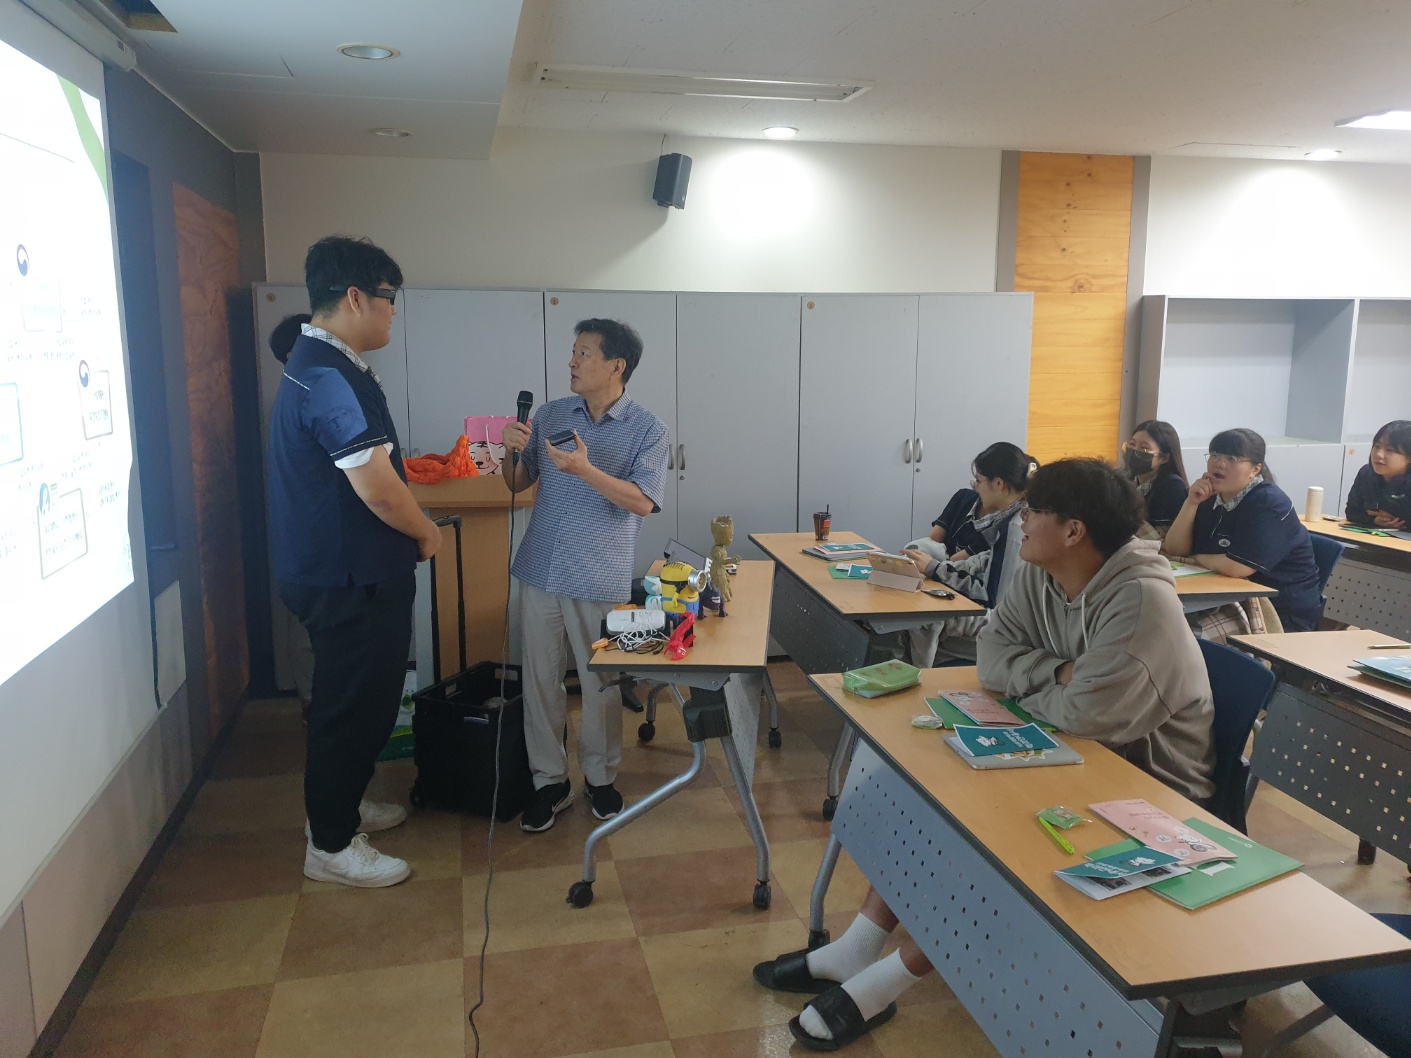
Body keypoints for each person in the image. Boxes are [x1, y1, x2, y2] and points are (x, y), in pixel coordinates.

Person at [754, 458, 1214, 1052]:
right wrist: (1060, 672)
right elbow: (992, 662)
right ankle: (858, 947)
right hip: (1070, 751)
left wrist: (1039, 687)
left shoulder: (1142, 599)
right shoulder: (1043, 570)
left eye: (1034, 511)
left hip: (1145, 789)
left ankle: (884, 984)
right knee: (932, 798)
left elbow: (1085, 716)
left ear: (1073, 531)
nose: (1020, 521)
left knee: (984, 842)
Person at [267, 236, 441, 888]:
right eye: (390, 299)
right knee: (353, 708)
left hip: (344, 570)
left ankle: (339, 805)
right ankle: (331, 844)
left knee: (359, 702)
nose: (394, 312)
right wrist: (425, 532)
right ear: (355, 297)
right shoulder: (326, 376)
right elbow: (375, 486)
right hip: (348, 578)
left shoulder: (321, 363)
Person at [502, 319, 670, 832]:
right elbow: (518, 482)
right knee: (540, 683)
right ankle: (549, 781)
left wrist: (586, 470)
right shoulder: (551, 414)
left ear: (616, 366)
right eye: (573, 352)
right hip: (540, 568)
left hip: (598, 574)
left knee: (601, 686)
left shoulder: (648, 429)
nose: (572, 362)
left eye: (583, 353)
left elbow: (643, 502)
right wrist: (510, 450)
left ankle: (600, 778)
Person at [1163, 428, 1323, 633]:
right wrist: (1191, 503)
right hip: (1223, 596)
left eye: (1232, 458)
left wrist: (1196, 557)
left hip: (1276, 612)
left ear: (1255, 470)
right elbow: (1175, 548)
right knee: (1160, 622)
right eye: (1215, 455)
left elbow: (1238, 568)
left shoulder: (1269, 503)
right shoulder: (1210, 495)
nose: (1219, 463)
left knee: (1181, 635)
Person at [900, 442, 1036, 665]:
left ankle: (921, 675)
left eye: (979, 481)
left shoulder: (1015, 529)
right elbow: (979, 564)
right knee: (920, 611)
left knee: (924, 618)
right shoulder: (1003, 520)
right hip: (994, 614)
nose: (976, 489)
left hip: (1003, 629)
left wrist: (936, 570)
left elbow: (993, 601)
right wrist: (937, 569)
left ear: (998, 483)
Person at [267, 312, 317, 715]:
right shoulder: (300, 396)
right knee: (307, 631)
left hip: (309, 534)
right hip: (307, 536)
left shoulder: (304, 391)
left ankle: (316, 708)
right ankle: (313, 708)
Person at [1120, 419, 1188, 534]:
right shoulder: (1126, 479)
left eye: (1144, 448)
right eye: (1132, 444)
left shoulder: (1173, 487)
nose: (1134, 452)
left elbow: (1163, 539)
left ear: (1164, 458)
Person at [1345, 419, 1411, 529]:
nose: (1379, 454)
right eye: (1377, 446)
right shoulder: (1366, 473)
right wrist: (1374, 520)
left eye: (1390, 450)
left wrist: (1401, 521)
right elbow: (1352, 512)